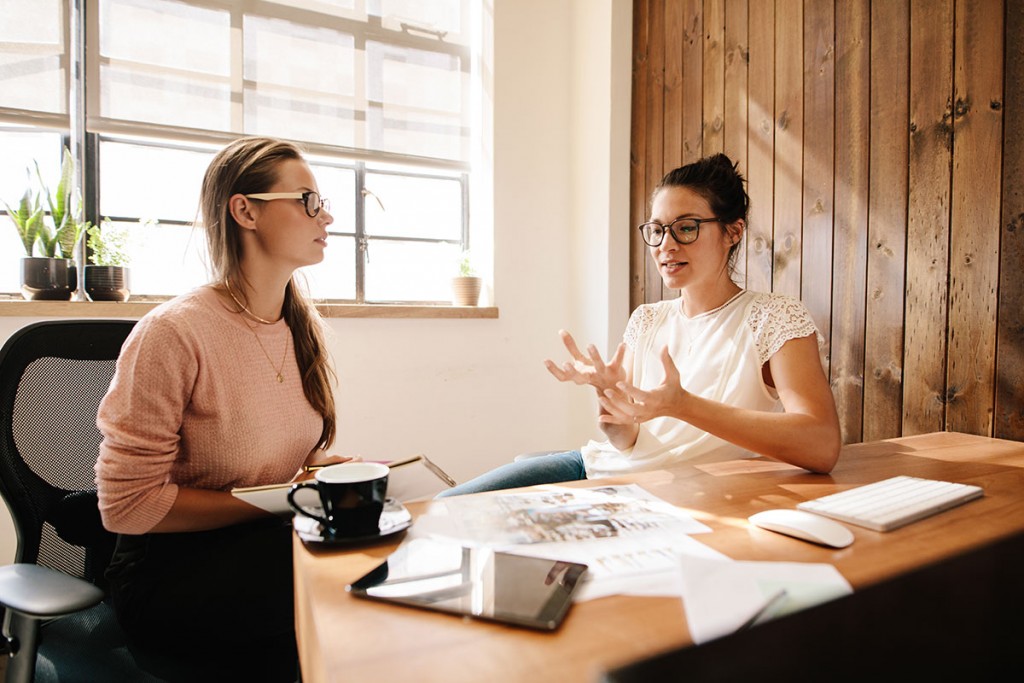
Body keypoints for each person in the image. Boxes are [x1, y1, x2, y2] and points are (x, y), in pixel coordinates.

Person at [439, 153, 841, 497]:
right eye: (657, 230)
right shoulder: (647, 318)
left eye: (686, 227)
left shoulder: (773, 317)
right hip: (595, 468)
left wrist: (684, 406)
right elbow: (626, 441)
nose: (666, 245)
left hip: (661, 493)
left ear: (732, 231)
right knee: (445, 506)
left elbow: (821, 445)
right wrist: (611, 405)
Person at [95, 136, 350, 680]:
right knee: (334, 573)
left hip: (264, 546)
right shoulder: (173, 334)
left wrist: (321, 475)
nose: (325, 214)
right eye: (307, 199)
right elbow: (128, 508)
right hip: (169, 573)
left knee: (369, 540)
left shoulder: (299, 327)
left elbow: (279, 464)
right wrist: (279, 499)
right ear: (245, 210)